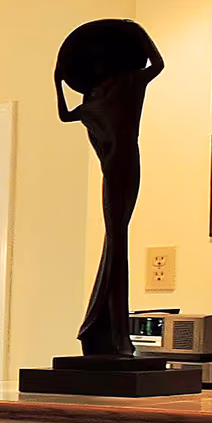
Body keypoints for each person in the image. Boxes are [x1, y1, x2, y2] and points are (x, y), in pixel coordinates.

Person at [55, 19, 164, 358]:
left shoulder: (113, 91)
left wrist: (57, 80)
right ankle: (112, 334)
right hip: (120, 167)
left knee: (116, 239)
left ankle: (110, 331)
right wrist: (140, 35)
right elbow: (157, 64)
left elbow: (64, 114)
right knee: (116, 240)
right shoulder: (119, 89)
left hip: (120, 167)